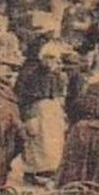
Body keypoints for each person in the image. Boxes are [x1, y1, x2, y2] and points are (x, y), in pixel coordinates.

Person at [13, 37, 69, 180]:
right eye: (48, 58)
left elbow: (59, 96)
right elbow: (23, 97)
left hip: (52, 112)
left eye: (54, 59)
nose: (51, 62)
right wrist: (28, 116)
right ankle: (31, 172)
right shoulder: (32, 75)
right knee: (35, 142)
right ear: (42, 58)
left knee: (51, 143)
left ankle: (48, 171)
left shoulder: (58, 76)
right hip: (37, 111)